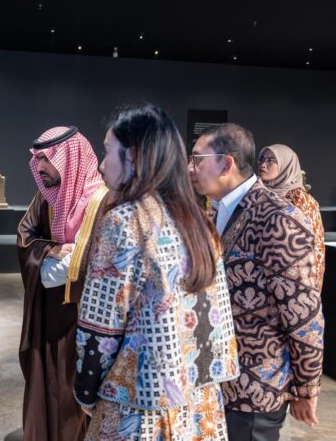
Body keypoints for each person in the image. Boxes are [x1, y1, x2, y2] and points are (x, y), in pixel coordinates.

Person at [73, 104, 239, 440]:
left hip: (140, 407)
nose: (102, 165)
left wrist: (85, 391)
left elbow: (100, 329)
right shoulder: (198, 221)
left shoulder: (124, 222)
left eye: (107, 151)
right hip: (199, 405)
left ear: (133, 156)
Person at [188, 124, 324, 441]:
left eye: (197, 159)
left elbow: (303, 314)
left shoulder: (278, 218)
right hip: (214, 380)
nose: (190, 168)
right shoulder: (216, 210)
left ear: (226, 164)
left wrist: (307, 386)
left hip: (256, 389)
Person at [17, 126, 111, 441]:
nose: (40, 166)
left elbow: (85, 264)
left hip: (83, 318)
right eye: (38, 159)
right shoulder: (45, 198)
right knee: (47, 385)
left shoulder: (101, 201)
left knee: (75, 394)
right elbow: (25, 238)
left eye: (47, 159)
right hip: (48, 314)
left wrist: (52, 265)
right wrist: (49, 250)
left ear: (69, 158)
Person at [258, 144, 326, 290]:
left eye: (270, 160)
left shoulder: (302, 201)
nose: (263, 164)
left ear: (286, 165)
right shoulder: (256, 196)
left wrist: (311, 287)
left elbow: (316, 247)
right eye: (261, 159)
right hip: (259, 277)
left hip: (294, 280)